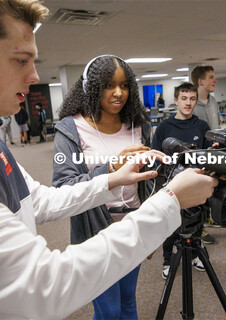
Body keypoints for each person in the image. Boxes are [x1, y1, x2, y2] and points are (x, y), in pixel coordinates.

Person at [0, 1, 218, 319]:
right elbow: (45, 286)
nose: (34, 75)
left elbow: (40, 201)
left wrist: (115, 176)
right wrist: (170, 203)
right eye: (20, 60)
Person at [53, 54, 154, 320]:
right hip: (94, 231)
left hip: (133, 226)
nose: (118, 93)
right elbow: (64, 187)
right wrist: (111, 167)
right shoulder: (71, 128)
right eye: (108, 85)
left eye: (124, 85)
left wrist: (154, 228)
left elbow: (150, 181)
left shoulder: (138, 125)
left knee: (128, 302)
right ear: (91, 88)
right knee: (109, 310)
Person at [151, 82, 213, 279]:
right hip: (170, 183)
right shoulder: (164, 127)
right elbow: (154, 156)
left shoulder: (202, 126)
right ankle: (168, 260)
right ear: (176, 100)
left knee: (196, 219)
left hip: (195, 182)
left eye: (192, 99)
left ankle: (196, 255)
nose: (188, 103)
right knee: (170, 224)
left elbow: (208, 155)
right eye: (184, 99)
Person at [191, 65, 220, 130]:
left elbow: (218, 124)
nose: (215, 81)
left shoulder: (213, 101)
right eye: (211, 77)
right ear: (201, 82)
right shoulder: (190, 104)